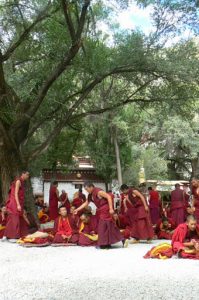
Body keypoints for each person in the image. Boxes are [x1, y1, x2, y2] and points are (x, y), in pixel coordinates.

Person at [75, 182, 124, 249]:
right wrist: (77, 209)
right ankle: (113, 241)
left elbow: (108, 197)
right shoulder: (90, 194)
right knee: (109, 226)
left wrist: (111, 208)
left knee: (102, 226)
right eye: (85, 190)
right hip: (101, 210)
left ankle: (104, 243)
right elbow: (86, 203)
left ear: (91, 187)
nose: (86, 191)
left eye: (87, 189)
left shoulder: (98, 191)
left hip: (105, 209)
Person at [4, 171, 30, 242]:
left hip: (18, 202)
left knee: (19, 217)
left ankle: (19, 234)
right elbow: (15, 193)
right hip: (14, 202)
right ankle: (12, 236)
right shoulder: (18, 181)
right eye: (27, 175)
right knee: (14, 218)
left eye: (28, 175)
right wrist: (18, 204)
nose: (28, 176)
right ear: (23, 174)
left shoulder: (22, 182)